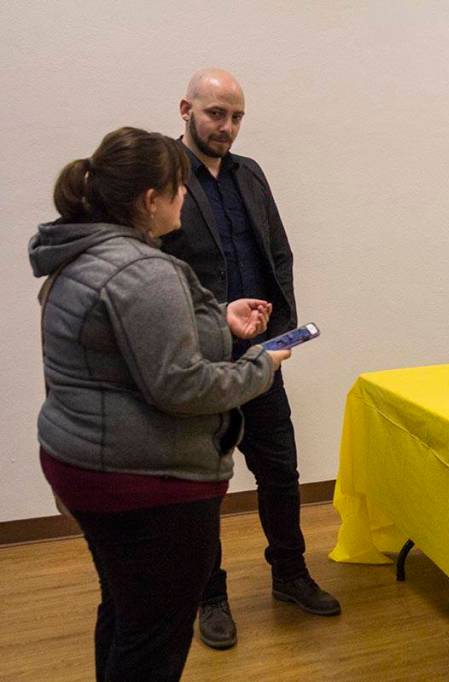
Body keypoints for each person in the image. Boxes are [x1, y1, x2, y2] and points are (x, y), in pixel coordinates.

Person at [30, 126, 290, 680]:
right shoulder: (145, 272)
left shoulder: (87, 253)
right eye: (179, 188)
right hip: (143, 484)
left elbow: (127, 346)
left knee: (125, 611)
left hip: (85, 464)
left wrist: (217, 318)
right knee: (153, 636)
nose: (186, 199)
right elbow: (182, 387)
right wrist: (258, 366)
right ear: (151, 200)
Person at [160, 68, 340, 650]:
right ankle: (208, 595)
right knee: (205, 486)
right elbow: (157, 269)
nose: (227, 127)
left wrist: (282, 335)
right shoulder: (163, 176)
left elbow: (278, 252)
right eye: (216, 113)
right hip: (200, 362)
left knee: (280, 472)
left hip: (261, 357)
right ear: (186, 108)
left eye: (236, 116)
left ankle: (289, 574)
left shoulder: (250, 173)